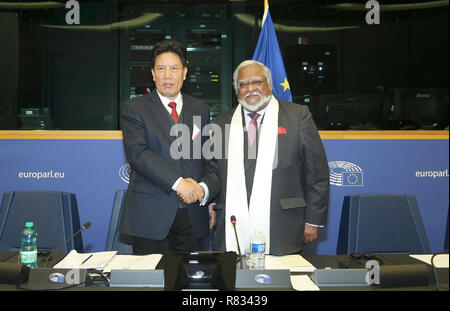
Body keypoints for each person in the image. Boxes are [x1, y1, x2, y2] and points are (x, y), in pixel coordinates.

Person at [202, 60, 329, 256]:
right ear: (237, 91)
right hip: (232, 226)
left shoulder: (298, 117)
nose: (251, 89)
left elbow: (317, 173)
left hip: (283, 226)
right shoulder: (221, 123)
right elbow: (214, 171)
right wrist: (210, 201)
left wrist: (312, 220)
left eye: (257, 82)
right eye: (243, 84)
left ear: (269, 84)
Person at [119, 40, 215, 255]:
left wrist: (206, 193)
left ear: (185, 73)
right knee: (151, 284)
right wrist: (180, 184)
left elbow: (208, 158)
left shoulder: (200, 109)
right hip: (151, 217)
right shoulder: (135, 108)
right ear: (153, 74)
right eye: (161, 68)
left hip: (193, 216)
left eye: (174, 68)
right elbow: (138, 154)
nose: (168, 75)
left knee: (189, 282)